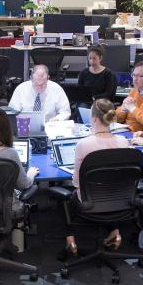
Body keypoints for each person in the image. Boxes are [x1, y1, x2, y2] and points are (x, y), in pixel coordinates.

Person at [60, 98, 133, 258]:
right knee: (108, 186)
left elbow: (76, 183)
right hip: (118, 200)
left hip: (90, 203)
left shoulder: (84, 144)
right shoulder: (123, 141)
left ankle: (70, 239)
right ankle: (115, 231)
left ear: (93, 118)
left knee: (67, 198)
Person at [115, 60, 143, 133]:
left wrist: (133, 109)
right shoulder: (134, 90)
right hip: (124, 130)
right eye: (134, 75)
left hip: (138, 136)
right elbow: (116, 119)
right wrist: (123, 109)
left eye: (139, 76)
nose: (135, 79)